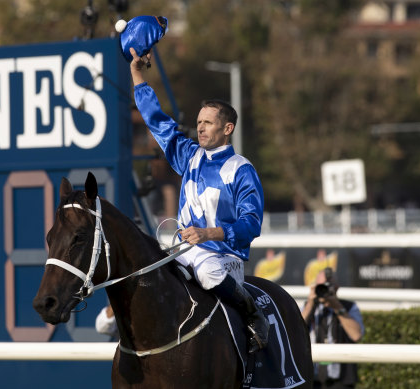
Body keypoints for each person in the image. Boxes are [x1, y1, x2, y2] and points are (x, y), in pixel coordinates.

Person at [129, 47, 268, 353]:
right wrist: (137, 74)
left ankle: (252, 314)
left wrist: (208, 234)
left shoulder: (241, 170)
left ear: (227, 129)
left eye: (208, 123)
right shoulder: (189, 156)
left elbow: (251, 225)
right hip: (184, 251)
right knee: (146, 273)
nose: (200, 127)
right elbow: (156, 120)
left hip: (223, 260)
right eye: (199, 122)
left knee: (207, 272)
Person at [301, 268, 365, 388]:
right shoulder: (307, 307)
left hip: (341, 379)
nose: (324, 290)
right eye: (321, 286)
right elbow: (293, 332)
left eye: (328, 286)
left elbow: (356, 335)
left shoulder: (348, 307)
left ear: (337, 287)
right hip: (311, 378)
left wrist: (337, 306)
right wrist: (310, 303)